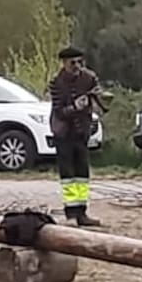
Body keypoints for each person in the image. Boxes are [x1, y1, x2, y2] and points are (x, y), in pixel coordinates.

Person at [48, 47, 108, 228]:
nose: (77, 66)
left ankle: (82, 212)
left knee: (82, 174)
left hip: (82, 132)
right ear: (64, 63)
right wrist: (75, 106)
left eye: (79, 62)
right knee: (68, 176)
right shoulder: (56, 82)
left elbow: (101, 98)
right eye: (72, 63)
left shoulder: (89, 78)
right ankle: (71, 214)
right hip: (63, 133)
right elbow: (60, 111)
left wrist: (100, 99)